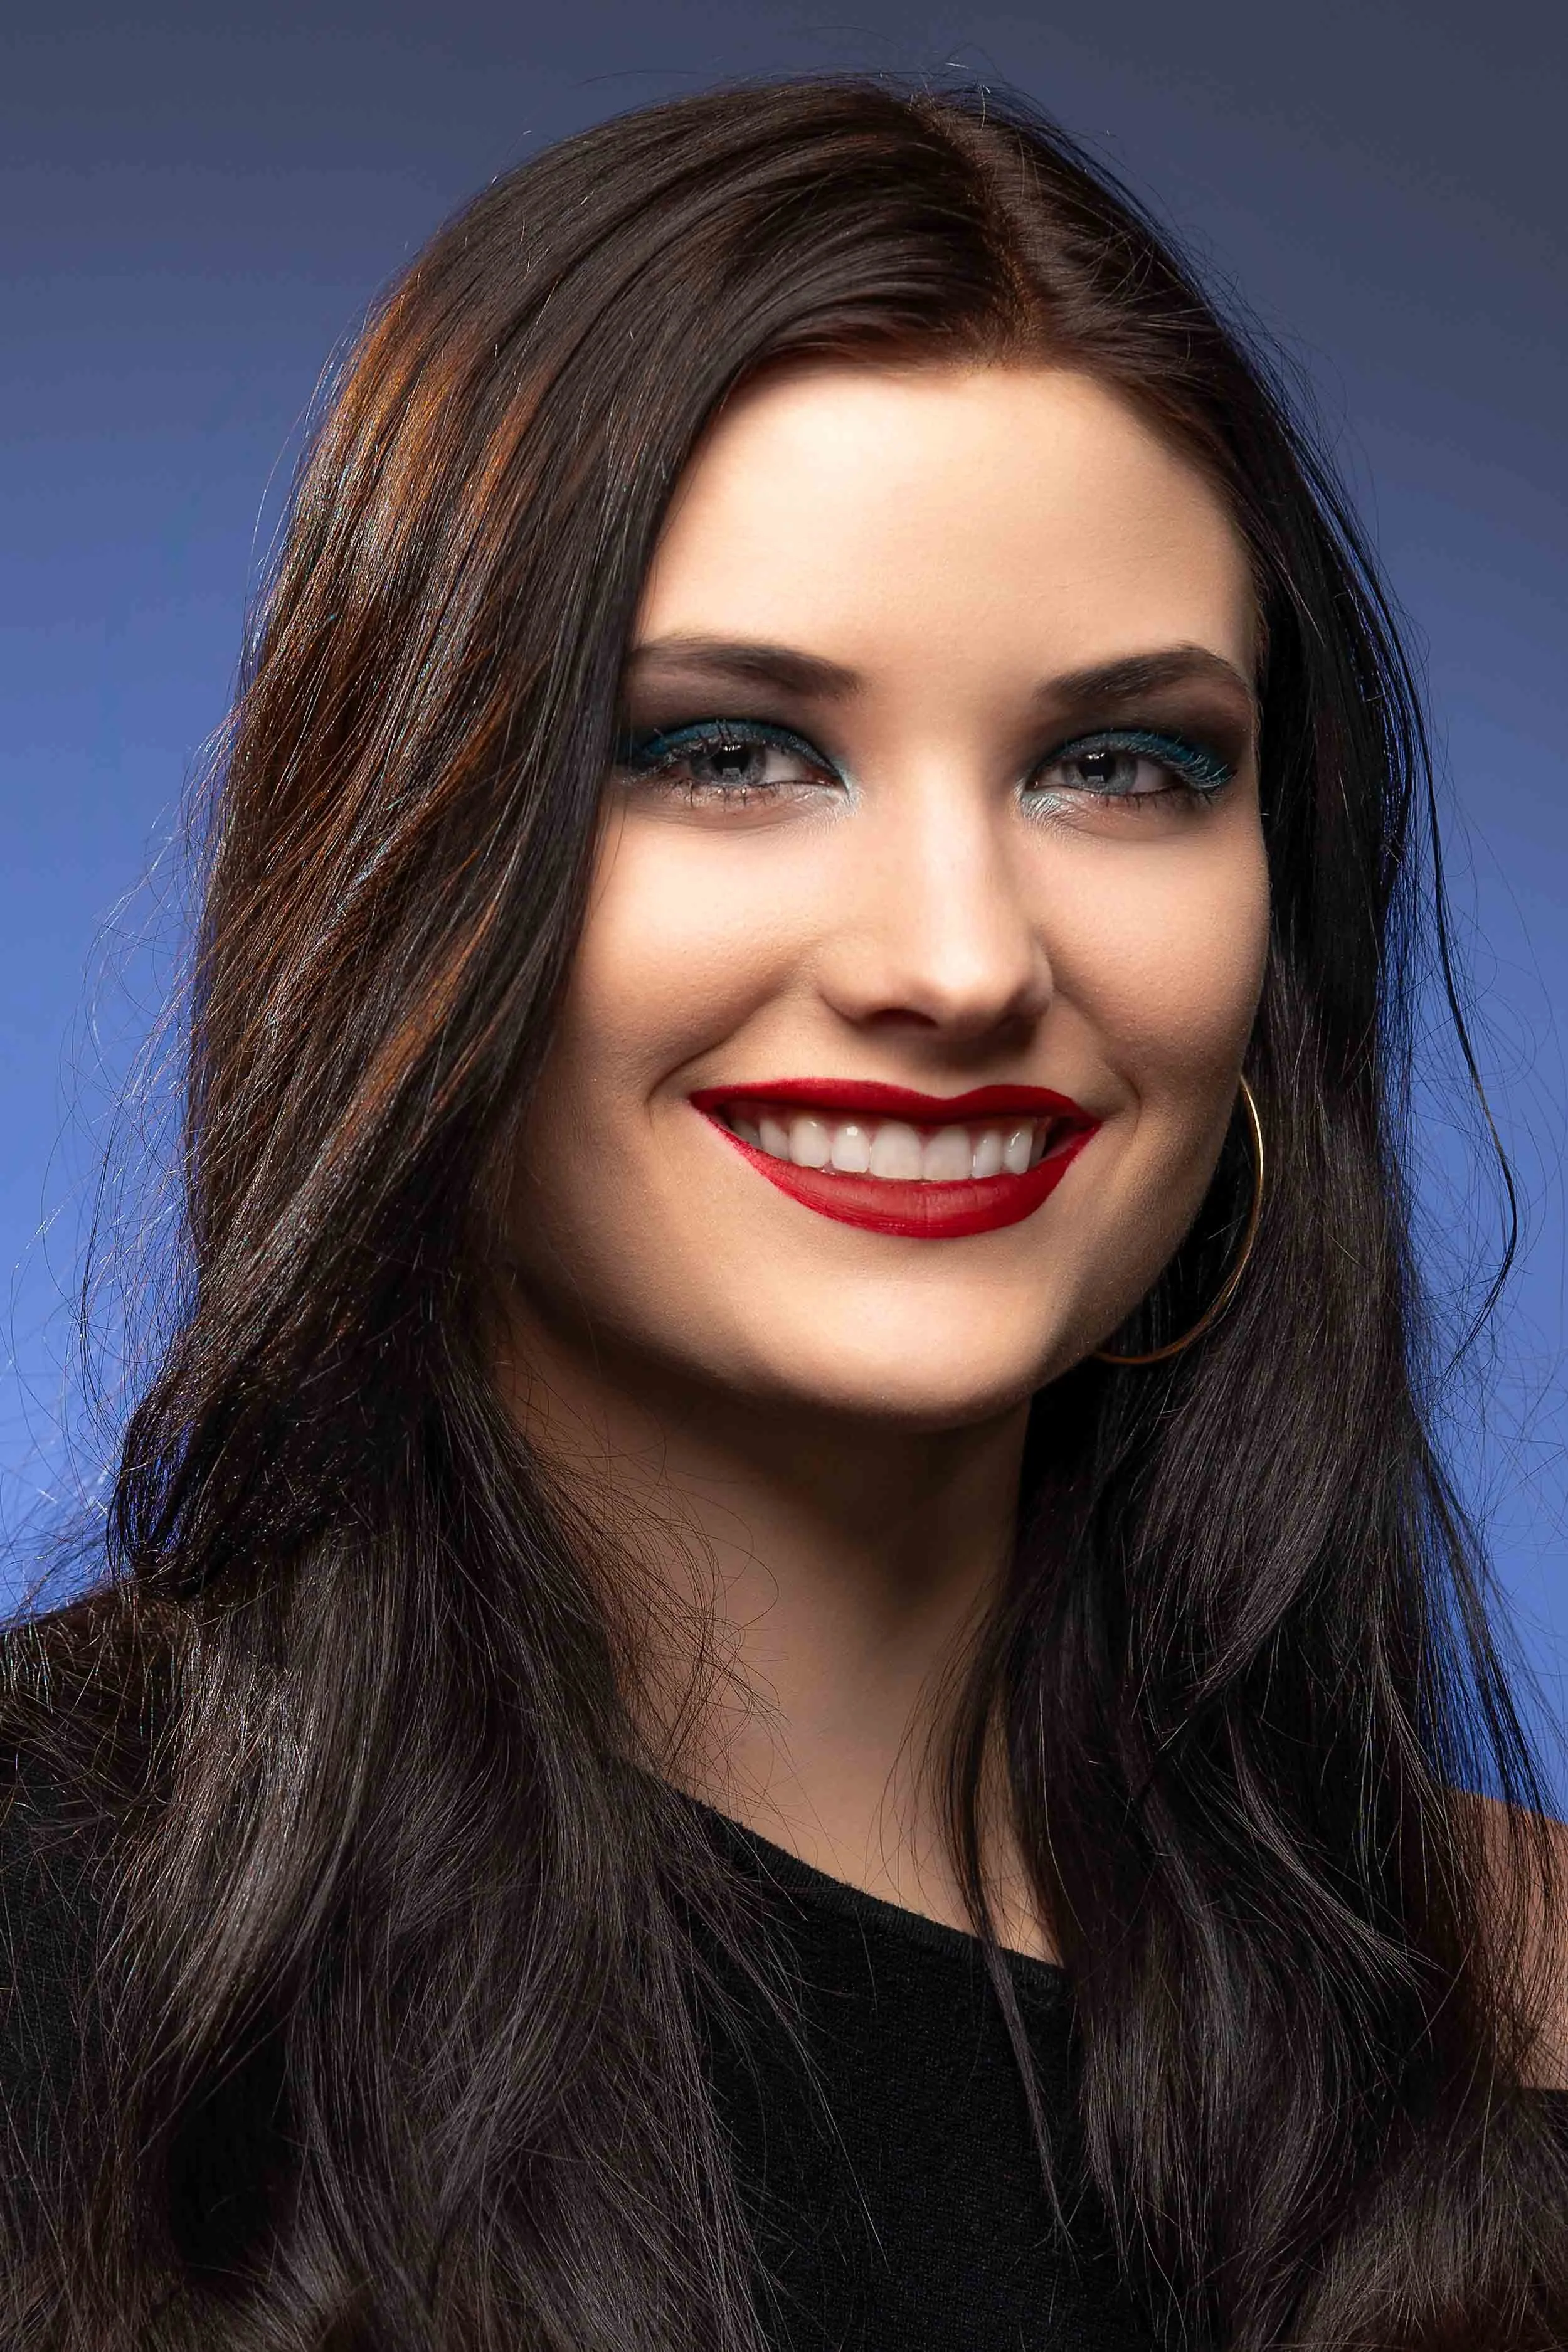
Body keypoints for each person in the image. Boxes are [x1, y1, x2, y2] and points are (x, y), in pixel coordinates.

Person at [1, 74, 1564, 2352]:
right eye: (729, 747)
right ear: (408, 859)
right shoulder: (59, 1941)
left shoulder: (1504, 2031)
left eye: (1120, 763)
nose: (956, 957)